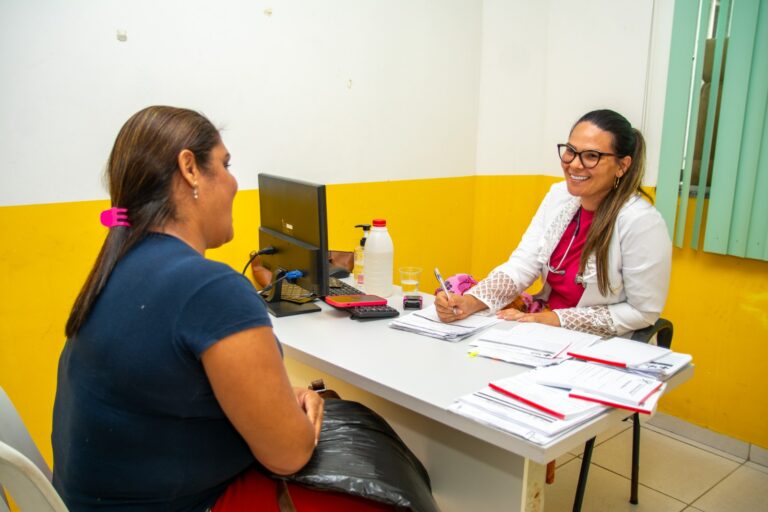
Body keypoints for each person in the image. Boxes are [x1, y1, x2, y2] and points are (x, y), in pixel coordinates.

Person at [51, 106, 327, 511]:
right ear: (190, 169)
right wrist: (299, 420)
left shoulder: (114, 270)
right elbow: (290, 454)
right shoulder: (210, 289)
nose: (234, 182)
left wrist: (275, 402)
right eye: (225, 164)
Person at [435, 109, 671, 337]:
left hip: (598, 342)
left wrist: (555, 319)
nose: (575, 164)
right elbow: (522, 265)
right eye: (571, 151)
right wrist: (470, 301)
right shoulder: (559, 196)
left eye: (591, 156)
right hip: (542, 329)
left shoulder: (641, 222)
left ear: (622, 165)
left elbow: (643, 311)